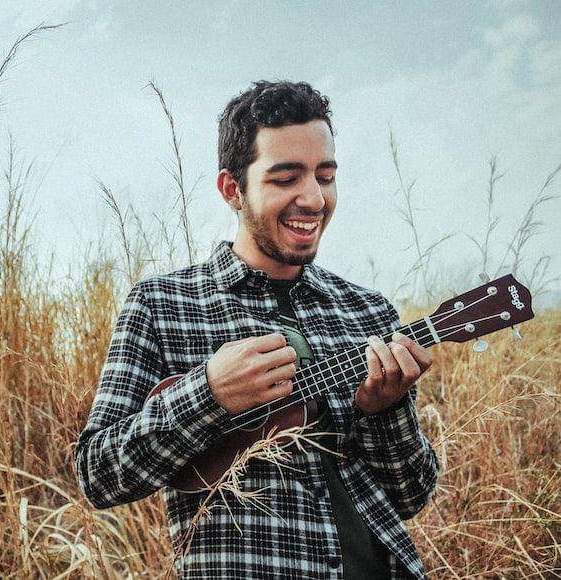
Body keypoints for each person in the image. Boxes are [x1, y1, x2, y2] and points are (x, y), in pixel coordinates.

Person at [74, 80, 439, 579]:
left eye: (326, 176)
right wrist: (208, 394)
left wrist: (386, 412)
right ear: (232, 189)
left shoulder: (368, 312)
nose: (314, 198)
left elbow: (410, 496)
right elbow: (98, 475)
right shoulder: (162, 305)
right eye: (286, 178)